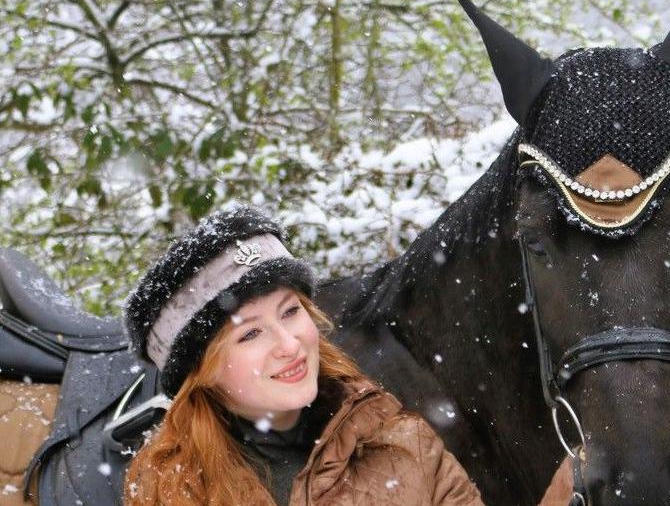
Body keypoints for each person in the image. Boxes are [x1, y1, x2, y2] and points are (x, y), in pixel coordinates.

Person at [122, 203, 484, 505]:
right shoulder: (170, 492)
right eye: (250, 333)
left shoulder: (405, 446)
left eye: (290, 312)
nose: (290, 344)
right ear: (203, 372)